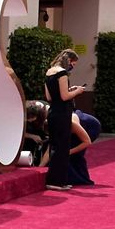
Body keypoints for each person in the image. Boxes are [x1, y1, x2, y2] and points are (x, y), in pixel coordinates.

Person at [22, 100, 96, 183]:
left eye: (32, 119)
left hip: (90, 127)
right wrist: (40, 167)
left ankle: (80, 180)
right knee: (62, 152)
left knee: (72, 154)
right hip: (71, 128)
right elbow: (50, 148)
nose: (31, 121)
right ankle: (76, 179)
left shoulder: (70, 123)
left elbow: (87, 142)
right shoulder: (52, 122)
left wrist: (69, 152)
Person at [43, 49, 86, 191]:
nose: (72, 66)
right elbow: (65, 97)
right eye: (73, 64)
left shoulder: (49, 72)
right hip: (62, 113)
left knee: (54, 146)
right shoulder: (62, 73)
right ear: (69, 61)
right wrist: (77, 91)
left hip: (52, 112)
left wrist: (69, 90)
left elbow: (49, 97)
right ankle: (57, 181)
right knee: (62, 148)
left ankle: (53, 180)